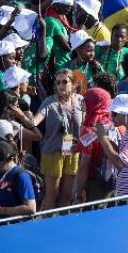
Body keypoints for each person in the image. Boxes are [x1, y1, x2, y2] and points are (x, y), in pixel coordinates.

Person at [30, 68, 84, 210]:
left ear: (73, 84)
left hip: (72, 149)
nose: (60, 85)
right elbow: (34, 122)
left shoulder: (80, 100)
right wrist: (24, 116)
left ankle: (63, 226)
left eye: (64, 82)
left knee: (66, 195)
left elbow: (87, 124)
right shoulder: (49, 101)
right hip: (52, 151)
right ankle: (45, 225)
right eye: (58, 82)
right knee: (52, 194)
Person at [0, 140, 37, 221]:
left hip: (12, 228)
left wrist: (0, 210)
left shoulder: (21, 176)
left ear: (10, 159)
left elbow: (31, 208)